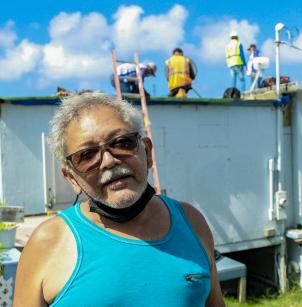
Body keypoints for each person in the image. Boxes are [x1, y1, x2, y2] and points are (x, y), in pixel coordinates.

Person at [13, 93, 225, 306]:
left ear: (148, 152)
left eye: (122, 142)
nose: (109, 161)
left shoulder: (191, 222)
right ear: (71, 178)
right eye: (87, 155)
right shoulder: (48, 242)